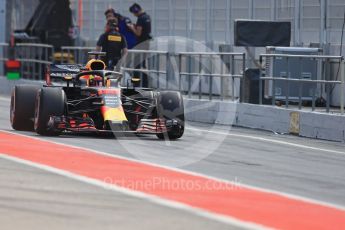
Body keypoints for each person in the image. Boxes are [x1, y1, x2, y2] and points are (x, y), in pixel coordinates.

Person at [128, 3, 152, 87]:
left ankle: (136, 85)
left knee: (137, 65)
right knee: (143, 65)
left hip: (140, 44)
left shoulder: (140, 19)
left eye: (133, 13)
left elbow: (138, 33)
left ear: (136, 11)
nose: (134, 15)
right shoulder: (147, 17)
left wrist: (132, 28)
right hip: (147, 43)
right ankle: (145, 85)